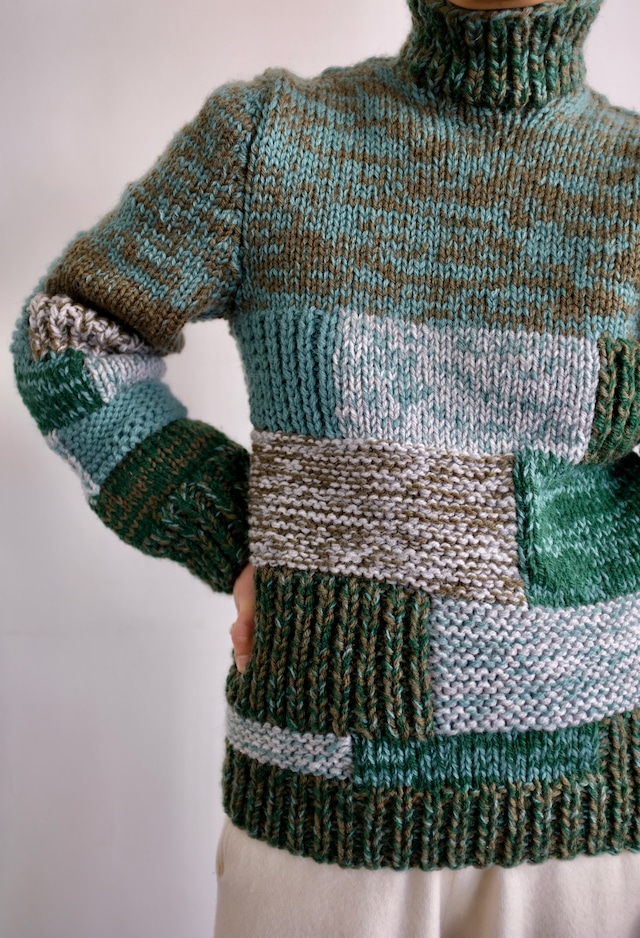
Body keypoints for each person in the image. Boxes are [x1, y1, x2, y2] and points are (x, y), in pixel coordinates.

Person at [11, 0, 640, 935]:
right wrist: (235, 535)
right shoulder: (270, 138)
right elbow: (70, 339)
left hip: (587, 815)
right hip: (320, 818)